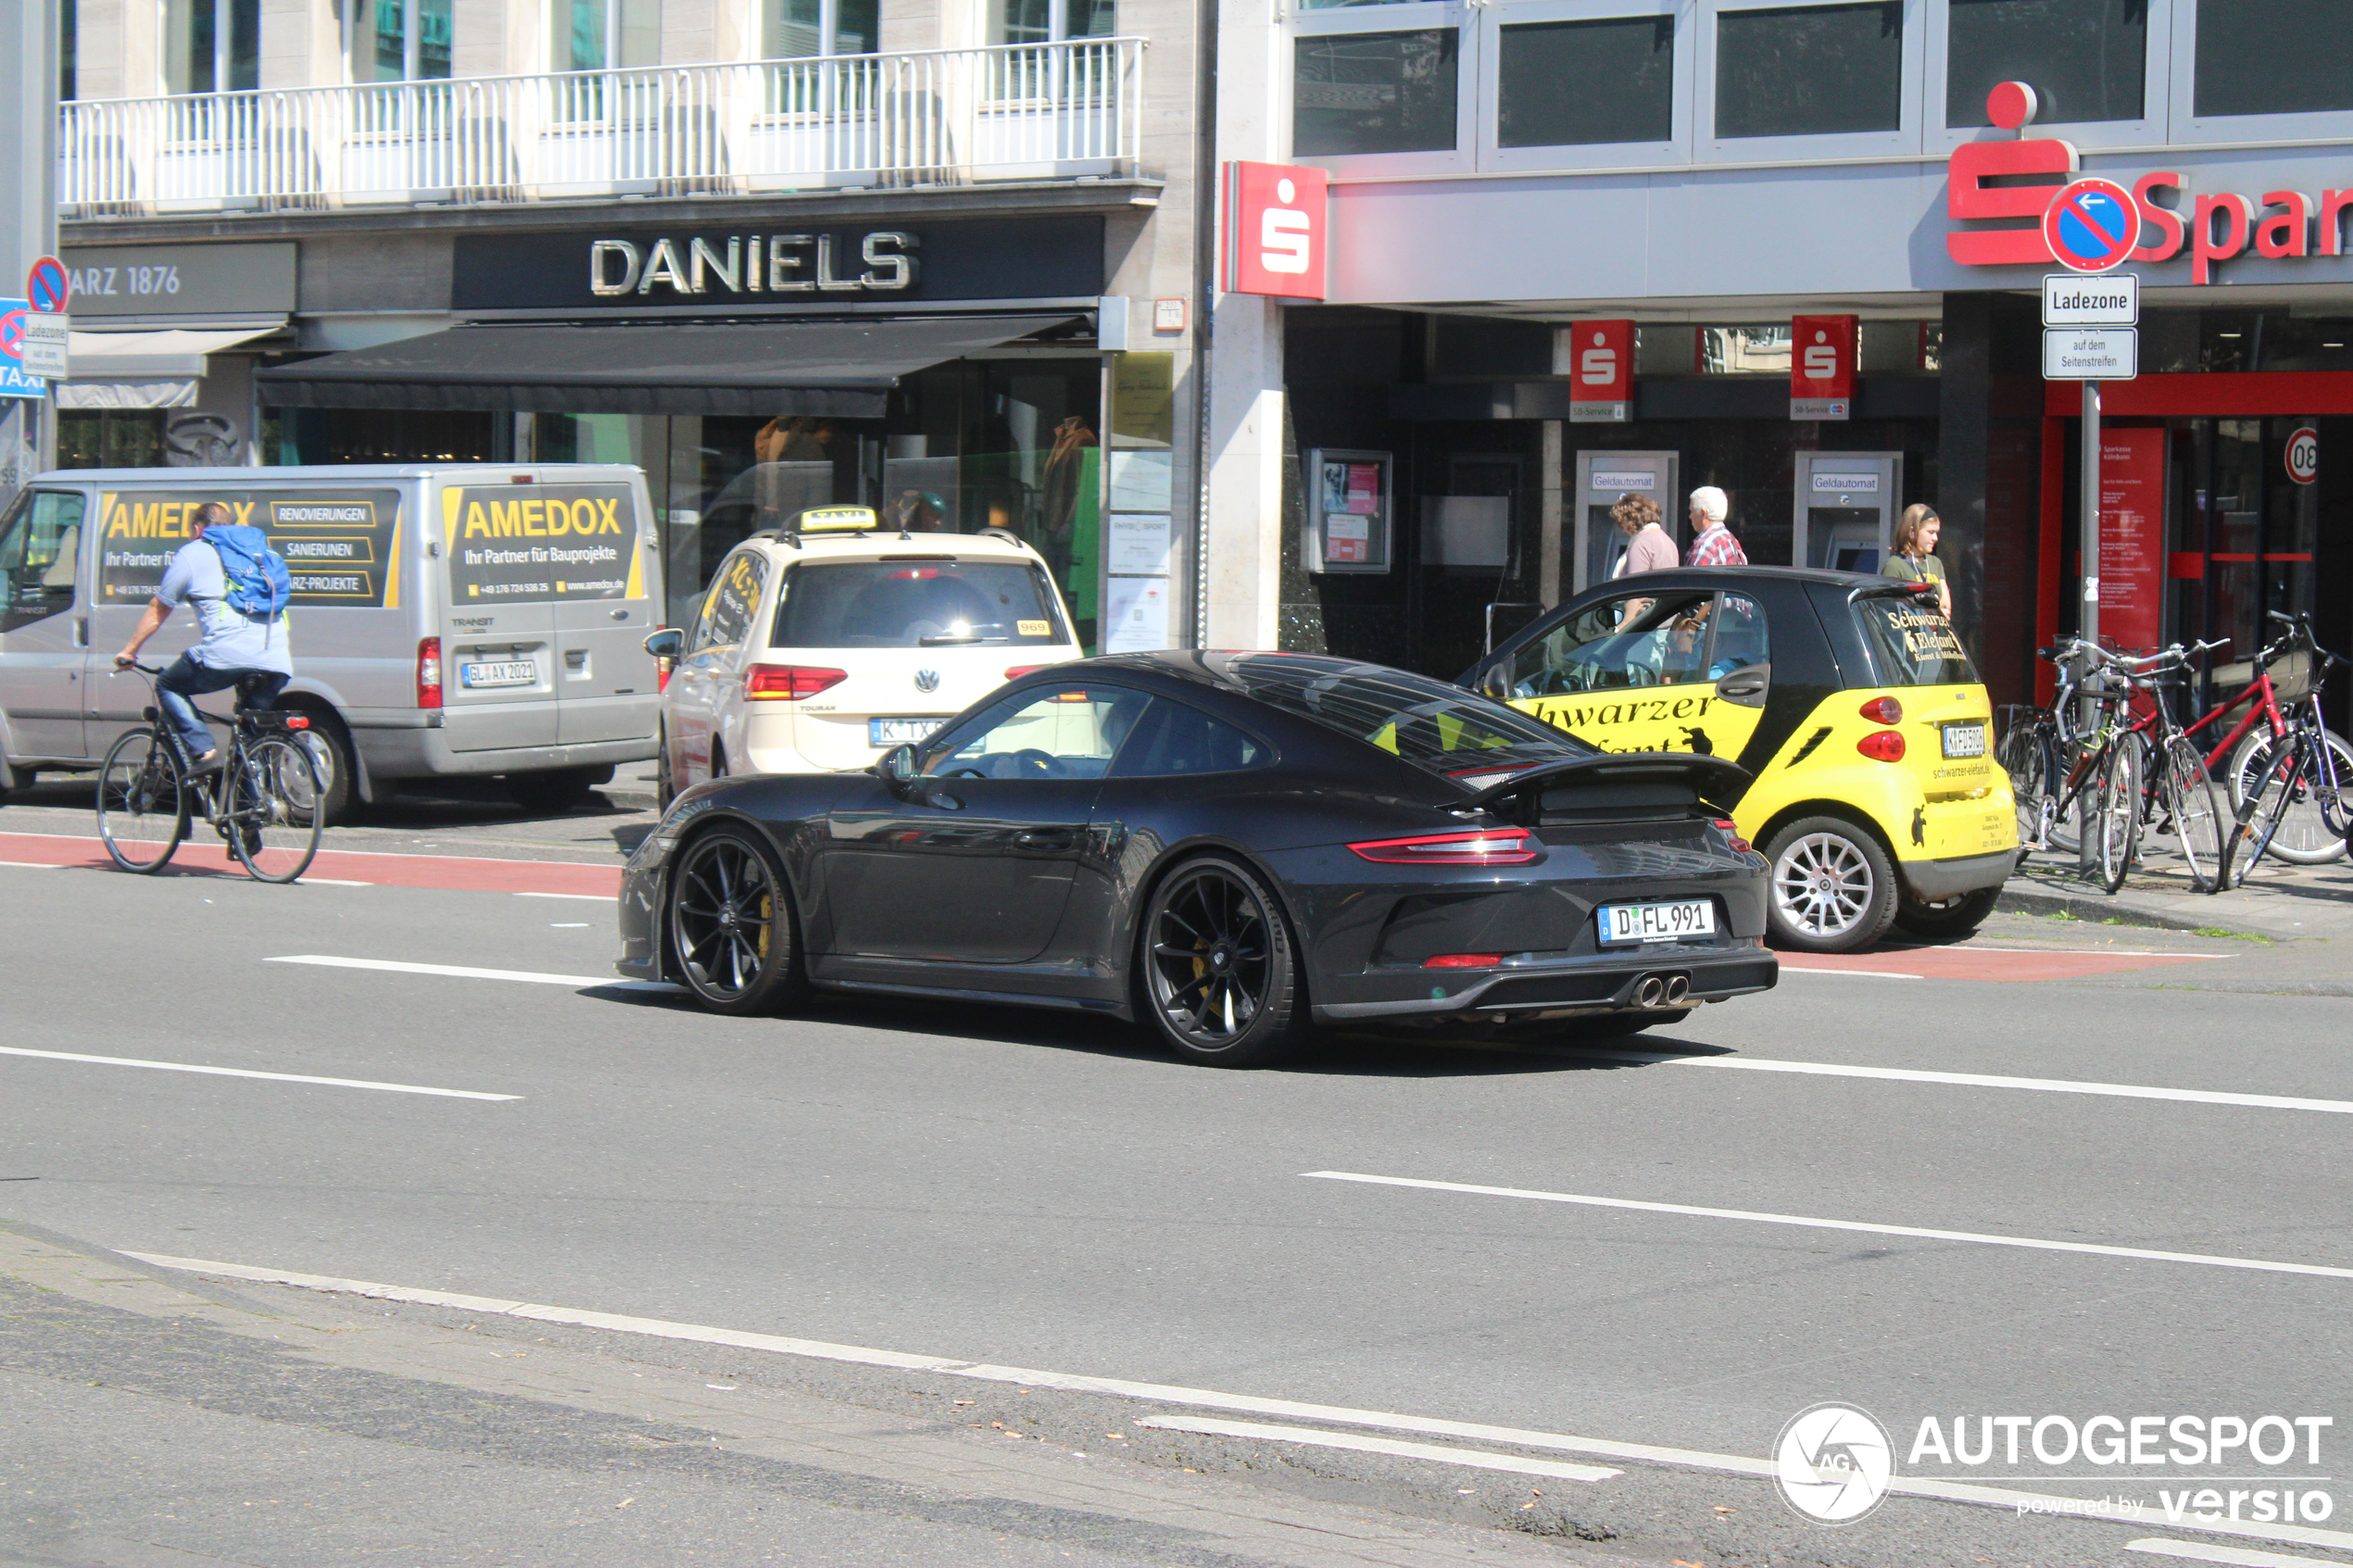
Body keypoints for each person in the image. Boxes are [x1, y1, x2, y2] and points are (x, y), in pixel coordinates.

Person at [114, 501, 292, 775]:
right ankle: (249, 811)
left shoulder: (193, 552)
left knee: (167, 685)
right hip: (276, 659)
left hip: (227, 654)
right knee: (249, 737)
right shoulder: (259, 551)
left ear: (198, 529)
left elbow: (159, 607)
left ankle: (204, 752)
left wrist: (130, 650)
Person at [1883, 502, 1953, 618]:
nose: (1935, 538)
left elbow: (1946, 604)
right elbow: (1889, 608)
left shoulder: (1935, 563)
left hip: (1933, 633)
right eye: (1930, 532)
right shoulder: (1895, 565)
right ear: (1912, 532)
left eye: (1936, 533)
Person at [1685, 486, 1748, 567]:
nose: (1690, 516)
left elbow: (1694, 578)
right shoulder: (1732, 540)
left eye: (1692, 511)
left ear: (1703, 513)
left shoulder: (1705, 545)